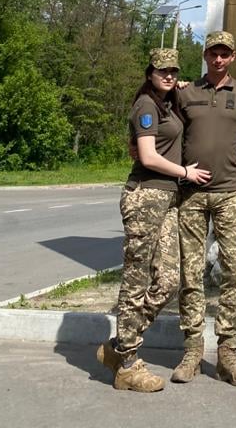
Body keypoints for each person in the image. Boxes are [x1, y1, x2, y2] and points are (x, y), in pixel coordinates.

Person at [97, 47, 210, 392]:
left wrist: (180, 86)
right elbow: (147, 155)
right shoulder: (146, 105)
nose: (169, 75)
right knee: (136, 278)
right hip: (145, 196)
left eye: (174, 71)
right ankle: (128, 365)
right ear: (150, 73)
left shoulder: (166, 102)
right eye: (163, 71)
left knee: (168, 282)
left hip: (167, 200)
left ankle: (119, 346)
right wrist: (185, 172)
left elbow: (178, 91)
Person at [170, 30, 236, 388]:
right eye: (212, 53)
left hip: (229, 195)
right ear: (205, 55)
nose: (218, 59)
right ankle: (192, 351)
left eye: (224, 54)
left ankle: (228, 354)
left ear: (233, 57)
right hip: (190, 196)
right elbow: (166, 130)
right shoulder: (186, 93)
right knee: (190, 276)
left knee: (233, 274)